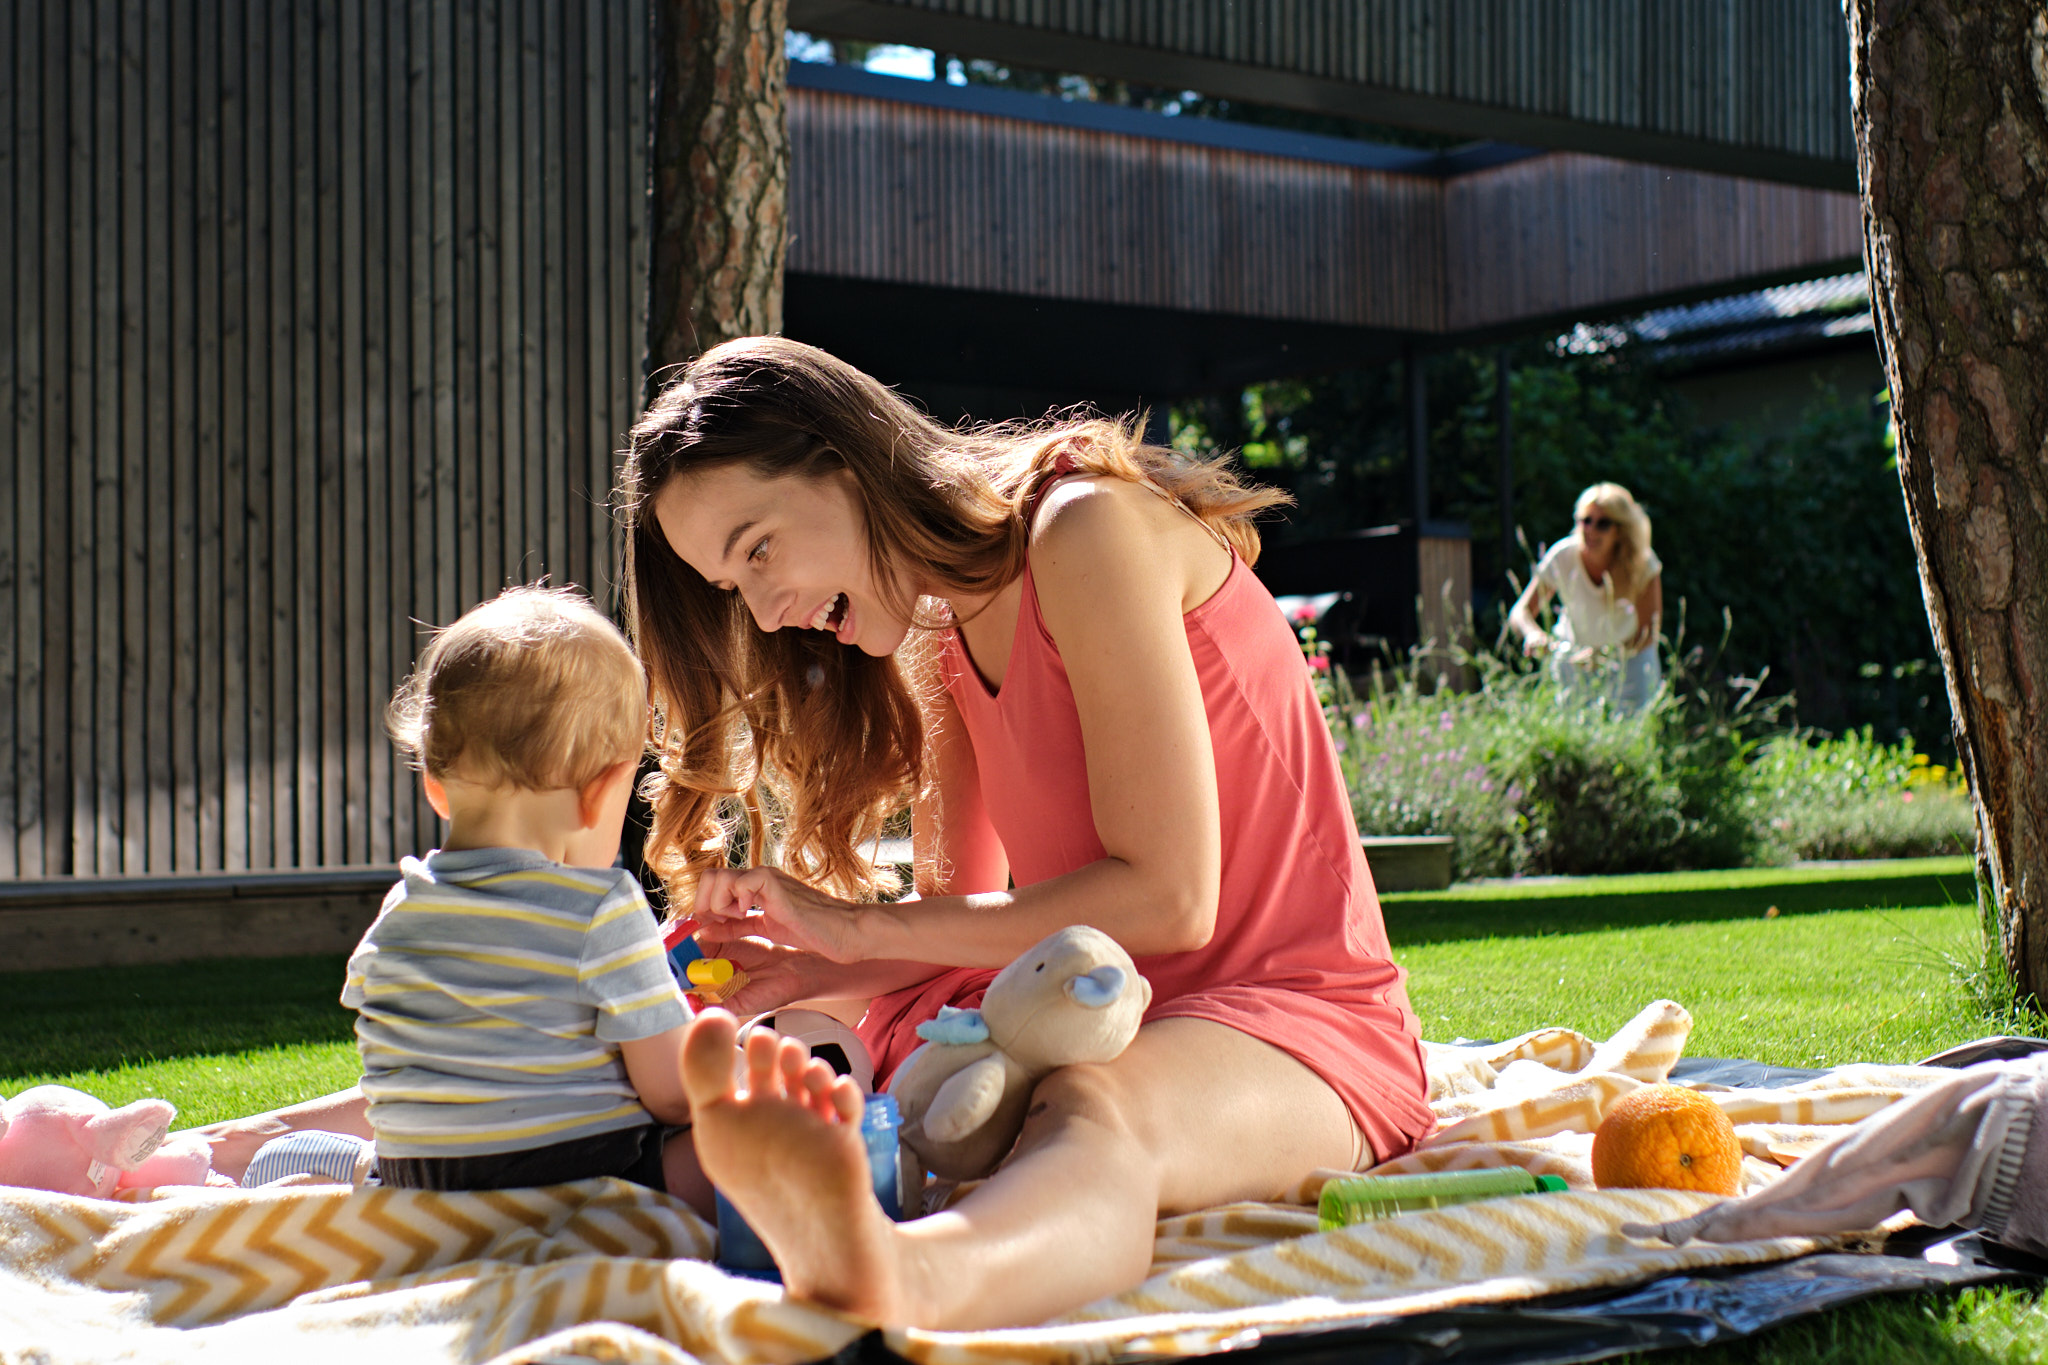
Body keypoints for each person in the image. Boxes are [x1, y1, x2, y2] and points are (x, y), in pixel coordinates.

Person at [622, 336, 1433, 1329]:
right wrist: (802, 967)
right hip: (1096, 1008)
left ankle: (901, 1279)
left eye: (758, 550)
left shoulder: (1082, 530)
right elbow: (960, 926)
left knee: (1093, 1109)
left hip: (1296, 1026)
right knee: (816, 1042)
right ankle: (626, 1175)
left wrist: (855, 932)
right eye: (729, 587)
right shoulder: (940, 620)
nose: (767, 609)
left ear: (843, 461)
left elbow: (1167, 900)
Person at [341, 585, 705, 1197]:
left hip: (421, 1188)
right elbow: (670, 1096)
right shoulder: (600, 908)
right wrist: (730, 1068)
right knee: (727, 1144)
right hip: (580, 1186)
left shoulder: (400, 910)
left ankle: (311, 1159)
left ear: (435, 786)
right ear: (600, 794)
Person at [1507, 482, 1664, 713]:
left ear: (1620, 530)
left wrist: (1603, 655)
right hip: (1573, 663)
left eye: (1603, 523)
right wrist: (1533, 634)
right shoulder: (1563, 555)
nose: (1590, 529)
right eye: (1585, 520)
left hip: (1631, 665)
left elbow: (1648, 631)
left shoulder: (1642, 564)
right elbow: (1520, 612)